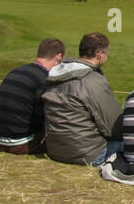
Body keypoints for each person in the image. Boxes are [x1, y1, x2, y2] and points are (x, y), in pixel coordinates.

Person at [42, 32, 124, 165]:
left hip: (55, 150)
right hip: (88, 154)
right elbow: (114, 126)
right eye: (107, 54)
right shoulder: (92, 80)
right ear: (99, 54)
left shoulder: (56, 75)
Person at [0, 38, 65, 154]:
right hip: (20, 144)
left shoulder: (15, 71)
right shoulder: (44, 79)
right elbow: (48, 117)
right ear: (59, 57)